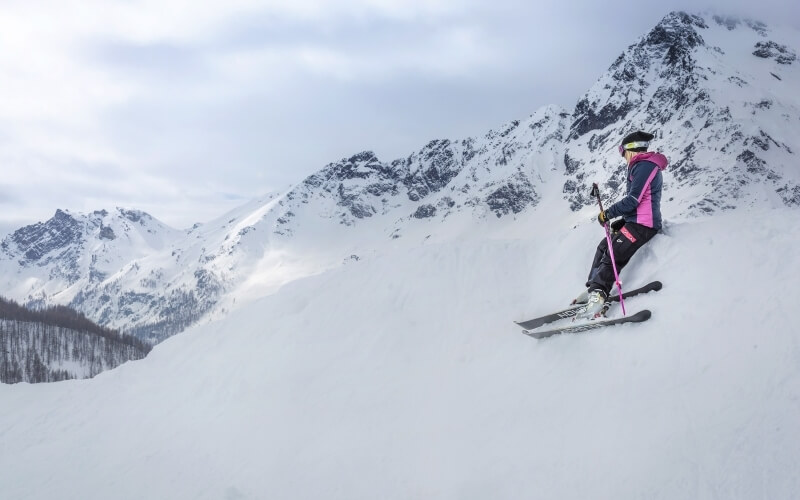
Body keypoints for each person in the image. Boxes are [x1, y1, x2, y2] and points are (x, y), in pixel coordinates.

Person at [576, 131, 668, 319]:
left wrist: (608, 214)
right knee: (604, 246)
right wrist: (624, 220)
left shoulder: (644, 166)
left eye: (622, 150)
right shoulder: (640, 166)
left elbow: (633, 200)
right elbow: (640, 203)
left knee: (613, 254)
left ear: (631, 149)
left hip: (644, 225)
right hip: (637, 221)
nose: (622, 155)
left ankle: (599, 297)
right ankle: (594, 287)